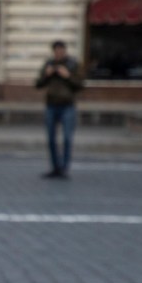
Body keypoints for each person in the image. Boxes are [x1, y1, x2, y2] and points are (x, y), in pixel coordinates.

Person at [35, 40, 83, 179]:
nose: (59, 53)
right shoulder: (49, 64)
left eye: (61, 51)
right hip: (51, 105)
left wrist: (67, 76)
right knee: (51, 139)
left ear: (65, 51)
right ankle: (55, 167)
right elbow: (38, 84)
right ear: (53, 51)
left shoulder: (72, 64)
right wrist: (47, 75)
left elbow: (80, 84)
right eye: (56, 51)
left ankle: (64, 168)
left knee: (67, 138)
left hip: (68, 106)